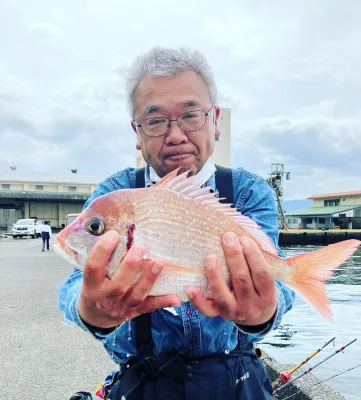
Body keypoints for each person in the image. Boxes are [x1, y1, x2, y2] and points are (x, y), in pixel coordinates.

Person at [59, 47, 295, 400]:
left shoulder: (248, 191)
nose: (174, 134)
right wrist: (90, 311)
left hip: (236, 379)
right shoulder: (114, 194)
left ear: (215, 121)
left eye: (190, 115)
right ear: (137, 133)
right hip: (146, 380)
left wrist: (263, 312)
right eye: (155, 121)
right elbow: (75, 286)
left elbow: (281, 287)